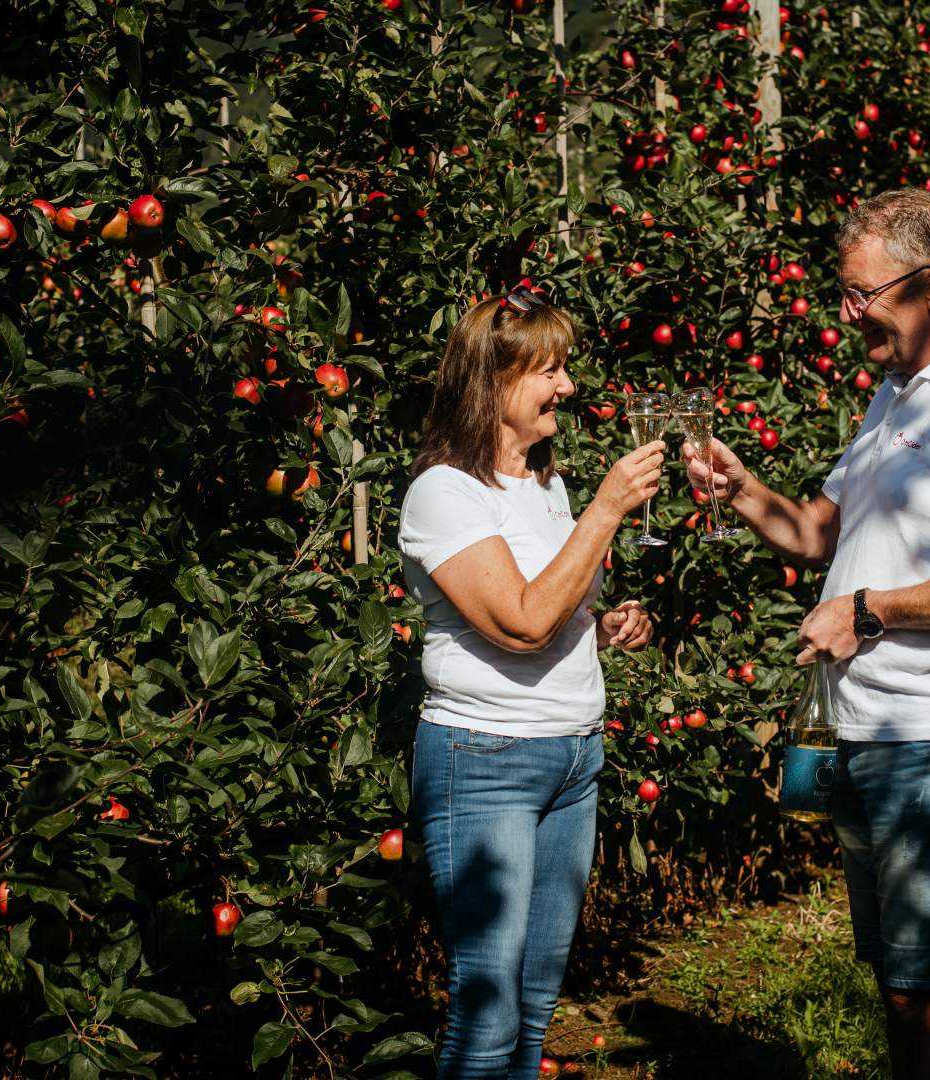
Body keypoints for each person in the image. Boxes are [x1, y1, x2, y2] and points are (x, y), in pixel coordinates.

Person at [686, 188, 930, 1080]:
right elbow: (820, 531)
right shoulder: (899, 395)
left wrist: (868, 611)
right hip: (868, 728)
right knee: (899, 981)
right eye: (844, 294)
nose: (846, 315)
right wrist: (739, 490)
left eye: (863, 294)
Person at [397, 286, 665, 1079]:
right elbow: (518, 621)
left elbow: (555, 603)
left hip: (573, 757)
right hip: (485, 760)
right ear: (493, 382)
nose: (568, 388)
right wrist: (610, 509)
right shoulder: (443, 492)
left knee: (536, 1008)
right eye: (549, 371)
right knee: (487, 1013)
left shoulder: (545, 485)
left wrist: (606, 619)